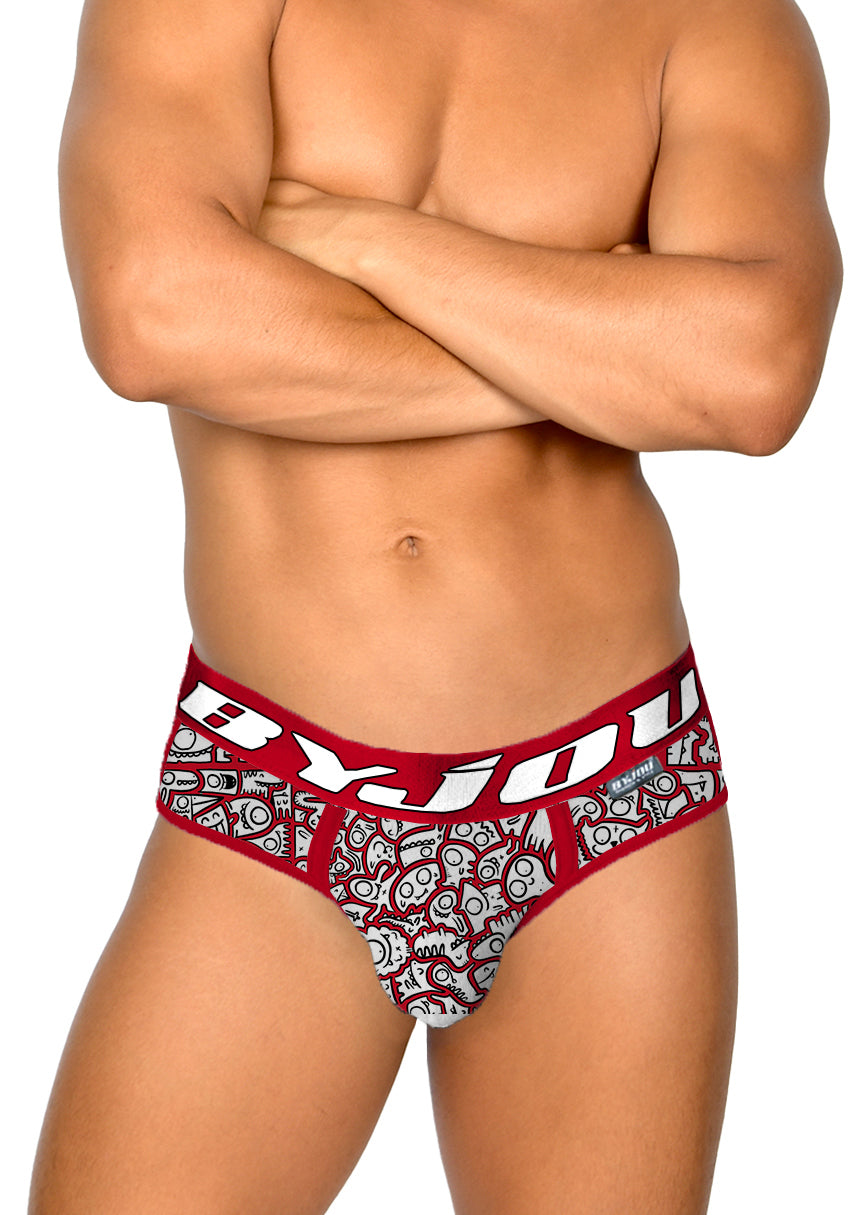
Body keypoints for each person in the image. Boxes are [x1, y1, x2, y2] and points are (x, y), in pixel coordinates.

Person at [29, 0, 841, 1210]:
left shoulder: (716, 20)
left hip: (609, 795)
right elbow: (156, 317)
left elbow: (753, 373)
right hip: (281, 792)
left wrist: (359, 238)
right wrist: (594, 349)